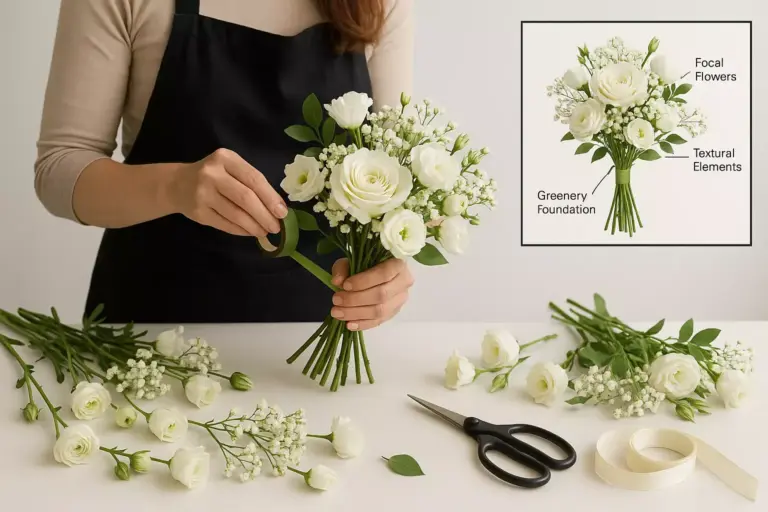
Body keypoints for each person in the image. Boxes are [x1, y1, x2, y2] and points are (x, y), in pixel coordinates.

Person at [34, 0, 415, 328]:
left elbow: (399, 176)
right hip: (149, 326)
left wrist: (388, 271)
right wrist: (174, 186)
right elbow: (60, 166)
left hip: (319, 336)